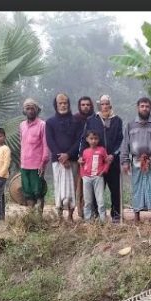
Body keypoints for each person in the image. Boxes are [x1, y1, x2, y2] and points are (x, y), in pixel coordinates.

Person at [121, 97, 151, 225]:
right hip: (136, 161)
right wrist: (125, 161)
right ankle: (136, 216)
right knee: (137, 188)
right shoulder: (130, 125)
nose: (145, 108)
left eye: (147, 106)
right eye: (142, 106)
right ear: (138, 108)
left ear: (150, 108)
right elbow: (125, 144)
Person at [83, 95, 124, 222]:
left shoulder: (117, 120)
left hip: (113, 160)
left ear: (110, 105)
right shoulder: (92, 120)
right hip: (96, 161)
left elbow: (120, 139)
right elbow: (84, 139)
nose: (105, 106)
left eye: (107, 104)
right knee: (97, 190)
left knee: (115, 189)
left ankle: (116, 214)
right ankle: (96, 215)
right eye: (102, 104)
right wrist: (81, 156)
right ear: (99, 106)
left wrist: (113, 154)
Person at [45, 93, 81, 222]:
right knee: (59, 188)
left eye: (65, 103)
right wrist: (61, 157)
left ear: (68, 104)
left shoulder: (76, 121)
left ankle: (71, 216)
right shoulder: (50, 122)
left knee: (72, 189)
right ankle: (60, 216)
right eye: (60, 103)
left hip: (73, 160)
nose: (63, 105)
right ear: (56, 105)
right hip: (58, 161)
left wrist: (68, 155)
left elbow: (79, 140)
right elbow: (50, 141)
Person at [20, 98, 49, 214]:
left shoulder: (42, 125)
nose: (30, 110)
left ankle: (39, 217)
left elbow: (46, 145)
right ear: (24, 111)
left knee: (38, 192)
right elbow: (21, 144)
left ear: (37, 110)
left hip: (37, 164)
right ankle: (31, 216)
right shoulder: (22, 125)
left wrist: (43, 163)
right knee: (27, 192)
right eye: (28, 108)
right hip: (24, 164)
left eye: (32, 108)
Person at [78, 130, 110, 223]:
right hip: (87, 178)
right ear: (87, 139)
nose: (93, 141)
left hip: (98, 178)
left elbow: (107, 161)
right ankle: (88, 220)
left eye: (95, 139)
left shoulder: (102, 150)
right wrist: (83, 175)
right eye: (91, 139)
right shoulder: (85, 151)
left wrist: (104, 171)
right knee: (88, 200)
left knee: (100, 200)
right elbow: (81, 163)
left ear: (98, 139)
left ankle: (103, 220)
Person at [73, 96, 95, 218]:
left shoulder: (94, 119)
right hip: (80, 157)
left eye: (88, 104)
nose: (86, 107)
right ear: (79, 106)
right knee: (80, 185)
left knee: (93, 184)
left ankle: (92, 211)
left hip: (93, 156)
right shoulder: (75, 119)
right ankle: (81, 211)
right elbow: (75, 138)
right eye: (83, 105)